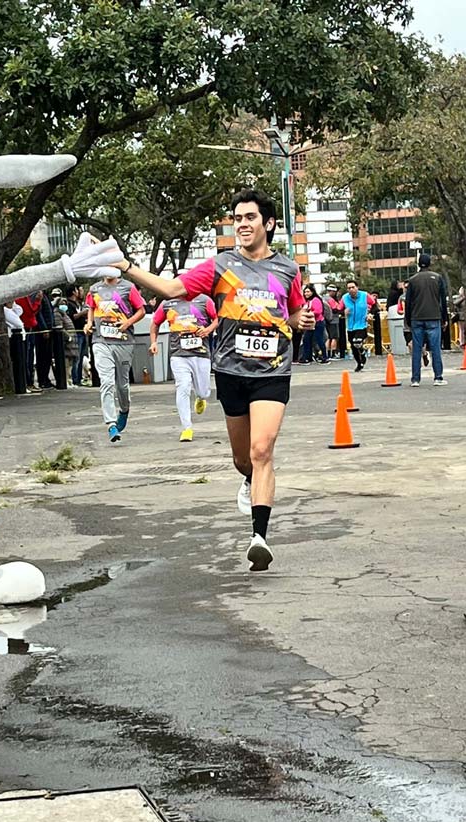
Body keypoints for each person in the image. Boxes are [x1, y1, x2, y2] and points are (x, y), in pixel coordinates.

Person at [108, 187, 314, 571]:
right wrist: (124, 266)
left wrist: (300, 320)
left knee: (262, 449)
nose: (242, 225)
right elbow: (170, 289)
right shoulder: (221, 266)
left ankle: (259, 538)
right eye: (236, 219)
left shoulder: (287, 269)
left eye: (249, 218)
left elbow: (292, 314)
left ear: (268, 223)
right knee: (243, 458)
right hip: (232, 371)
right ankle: (249, 479)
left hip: (272, 370)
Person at [149, 293, 218, 441]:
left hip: (201, 353)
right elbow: (155, 323)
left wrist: (208, 330)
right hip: (178, 354)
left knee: (203, 390)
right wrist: (154, 342)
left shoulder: (204, 300)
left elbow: (217, 319)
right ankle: (187, 428)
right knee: (183, 387)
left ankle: (201, 397)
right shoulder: (167, 303)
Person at [85, 275, 146, 442]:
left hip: (124, 342)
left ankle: (124, 409)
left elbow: (141, 310)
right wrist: (89, 323)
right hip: (100, 341)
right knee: (107, 382)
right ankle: (111, 424)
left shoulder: (128, 287)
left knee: (122, 385)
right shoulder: (95, 288)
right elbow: (91, 307)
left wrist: (127, 323)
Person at [404, 253, 448, 386]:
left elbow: (408, 302)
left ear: (418, 264)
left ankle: (415, 379)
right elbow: (442, 300)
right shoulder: (437, 278)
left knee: (417, 349)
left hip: (417, 318)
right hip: (434, 317)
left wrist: (408, 319)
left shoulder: (412, 280)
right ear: (430, 263)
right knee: (435, 349)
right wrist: (444, 318)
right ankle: (438, 377)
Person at [342, 279, 370, 372]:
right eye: (349, 288)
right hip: (350, 326)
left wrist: (370, 313)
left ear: (357, 287)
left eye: (353, 287)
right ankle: (359, 363)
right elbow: (337, 309)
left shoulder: (364, 295)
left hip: (361, 324)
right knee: (353, 347)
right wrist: (343, 312)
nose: (351, 290)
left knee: (357, 341)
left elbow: (374, 304)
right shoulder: (345, 298)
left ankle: (362, 353)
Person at [301, 284, 329, 363]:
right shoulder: (308, 301)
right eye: (305, 292)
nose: (306, 293)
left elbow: (318, 311)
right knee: (306, 339)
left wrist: (309, 312)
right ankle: (307, 357)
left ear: (312, 292)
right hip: (310, 323)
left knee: (319, 339)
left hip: (318, 322)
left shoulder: (316, 300)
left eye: (308, 292)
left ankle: (324, 356)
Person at [324, 286, 340, 358]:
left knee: (328, 337)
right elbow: (336, 308)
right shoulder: (330, 299)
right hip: (333, 320)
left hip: (326, 319)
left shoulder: (323, 298)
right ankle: (333, 354)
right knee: (334, 337)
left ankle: (327, 353)